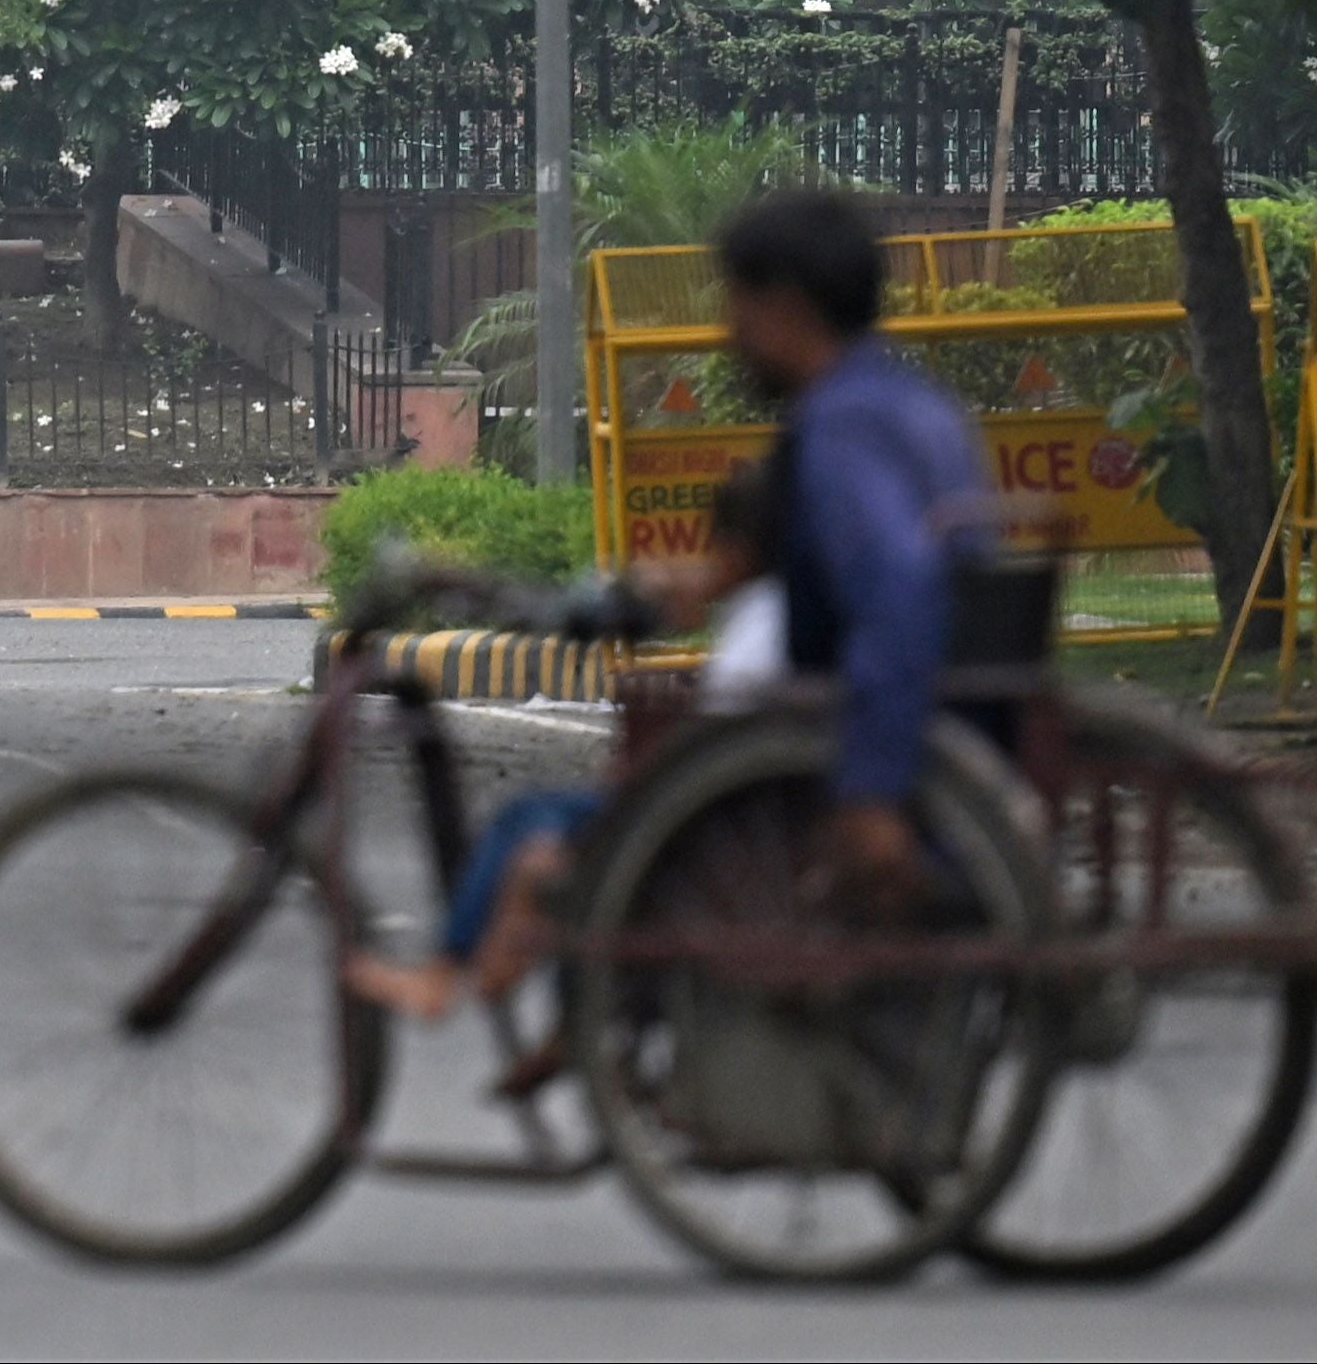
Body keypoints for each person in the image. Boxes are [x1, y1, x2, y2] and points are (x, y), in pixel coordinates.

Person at [351, 454, 782, 1026]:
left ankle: (444, 974)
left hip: (703, 806)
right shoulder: (771, 610)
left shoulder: (762, 624)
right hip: (716, 797)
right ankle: (535, 1004)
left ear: (741, 549)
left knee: (528, 820)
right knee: (538, 825)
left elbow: (726, 713)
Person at [714, 181, 991, 909]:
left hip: (863, 730)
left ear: (785, 306)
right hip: (966, 695)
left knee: (539, 834)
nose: (729, 331)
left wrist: (872, 787)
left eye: (737, 305)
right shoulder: (916, 402)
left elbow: (897, 587)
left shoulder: (843, 424)